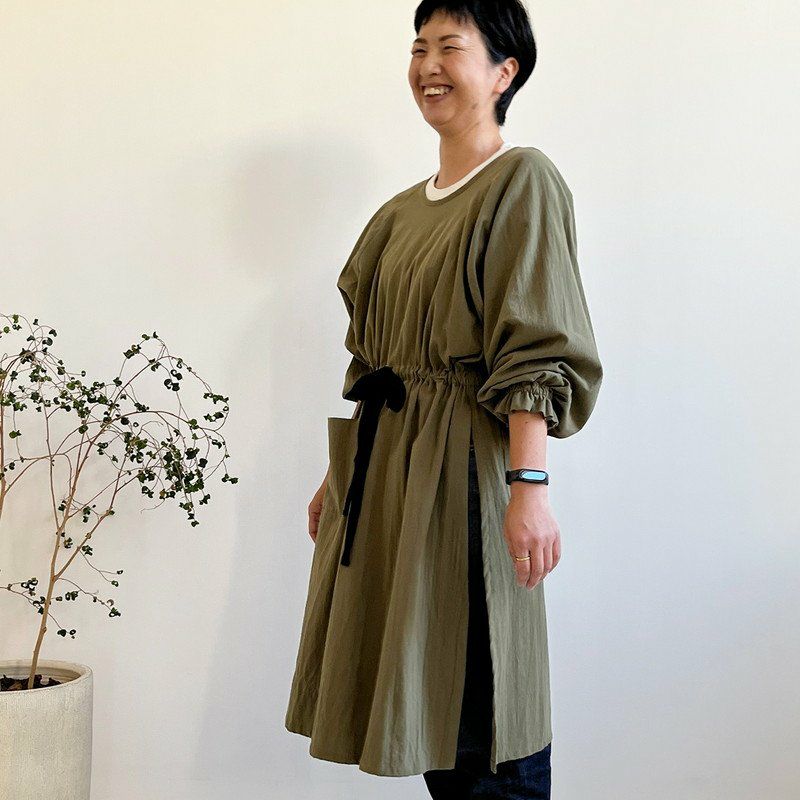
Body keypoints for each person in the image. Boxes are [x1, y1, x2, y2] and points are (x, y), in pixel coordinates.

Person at [285, 2, 603, 797]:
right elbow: (375, 363)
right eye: (419, 46)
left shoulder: (522, 181)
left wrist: (529, 485)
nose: (428, 64)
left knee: (483, 715)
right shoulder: (397, 215)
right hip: (392, 473)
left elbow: (533, 346)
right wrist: (340, 477)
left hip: (467, 471)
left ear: (504, 72)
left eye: (450, 47)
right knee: (428, 707)